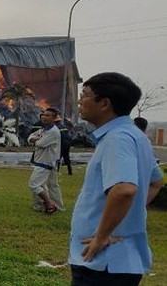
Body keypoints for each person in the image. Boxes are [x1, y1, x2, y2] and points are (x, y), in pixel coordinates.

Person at [70, 73, 163, 285]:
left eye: (84, 95)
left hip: (103, 263)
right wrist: (128, 214)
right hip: (121, 261)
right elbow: (156, 182)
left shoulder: (117, 139)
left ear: (104, 103)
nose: (79, 101)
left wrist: (101, 236)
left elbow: (124, 189)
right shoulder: (136, 136)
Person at [27, 107, 63, 214]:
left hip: (44, 163)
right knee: (52, 186)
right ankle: (54, 206)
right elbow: (30, 137)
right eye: (43, 115)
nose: (44, 117)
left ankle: (50, 204)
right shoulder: (44, 129)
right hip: (44, 161)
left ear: (54, 118)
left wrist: (36, 139)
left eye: (48, 115)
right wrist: (35, 138)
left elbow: (41, 144)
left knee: (34, 184)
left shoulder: (53, 132)